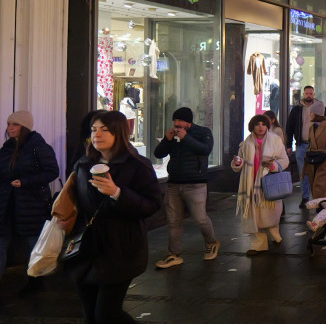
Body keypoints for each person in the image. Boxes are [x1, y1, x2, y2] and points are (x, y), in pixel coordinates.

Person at [64, 111, 160, 323]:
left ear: (119, 133)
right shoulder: (83, 163)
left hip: (120, 249)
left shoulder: (137, 165)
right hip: (85, 248)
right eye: (93, 129)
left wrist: (117, 193)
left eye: (104, 130)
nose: (97, 134)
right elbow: (74, 200)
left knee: (106, 314)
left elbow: (152, 204)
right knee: (90, 313)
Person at [152, 107, 218, 269]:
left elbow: (205, 150)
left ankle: (211, 243)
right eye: (175, 121)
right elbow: (158, 154)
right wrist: (167, 140)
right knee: (174, 221)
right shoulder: (172, 135)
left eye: (180, 121)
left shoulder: (203, 132)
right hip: (174, 183)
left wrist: (186, 138)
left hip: (195, 183)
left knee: (200, 218)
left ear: (188, 122)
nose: (176, 124)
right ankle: (174, 254)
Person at [0, 111, 59, 292]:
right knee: (2, 241)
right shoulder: (7, 148)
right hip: (7, 204)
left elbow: (52, 171)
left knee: (33, 243)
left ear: (24, 127)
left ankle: (35, 281)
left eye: (15, 124)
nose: (10, 128)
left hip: (30, 204)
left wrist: (25, 182)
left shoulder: (37, 147)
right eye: (9, 124)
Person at [231, 114, 290, 254]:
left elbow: (285, 160)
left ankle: (274, 233)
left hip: (268, 183)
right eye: (257, 124)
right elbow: (239, 163)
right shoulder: (246, 143)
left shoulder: (275, 140)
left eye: (264, 124)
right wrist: (237, 163)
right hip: (250, 184)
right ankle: (258, 244)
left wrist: (273, 165)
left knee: (270, 214)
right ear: (253, 126)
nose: (261, 127)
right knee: (253, 215)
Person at [286, 85, 326, 207]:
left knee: (317, 172)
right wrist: (288, 145)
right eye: (307, 93)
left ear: (314, 94)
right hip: (302, 144)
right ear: (304, 94)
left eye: (311, 93)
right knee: (303, 172)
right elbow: (289, 127)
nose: (309, 95)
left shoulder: (320, 108)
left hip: (316, 146)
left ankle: (318, 198)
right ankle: (305, 197)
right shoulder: (297, 109)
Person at [303, 107, 326, 206]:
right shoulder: (312, 127)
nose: (310, 115)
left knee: (321, 188)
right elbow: (310, 143)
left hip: (324, 162)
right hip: (313, 161)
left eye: (312, 113)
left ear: (317, 114)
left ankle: (323, 210)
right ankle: (320, 210)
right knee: (314, 187)